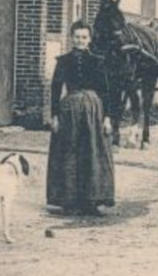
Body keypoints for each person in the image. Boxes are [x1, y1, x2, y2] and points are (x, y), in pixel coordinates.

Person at [46, 21, 116, 216]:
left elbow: (105, 91)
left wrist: (107, 118)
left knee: (92, 152)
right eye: (77, 37)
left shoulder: (98, 61)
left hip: (94, 111)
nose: (80, 41)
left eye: (84, 37)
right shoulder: (63, 61)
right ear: (71, 38)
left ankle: (92, 200)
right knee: (70, 152)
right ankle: (69, 200)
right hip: (70, 111)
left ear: (90, 39)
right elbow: (55, 89)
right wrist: (55, 115)